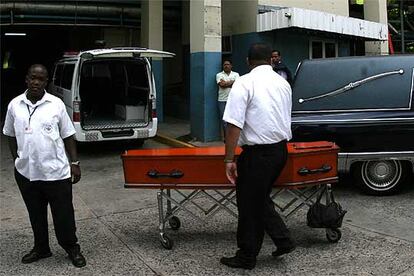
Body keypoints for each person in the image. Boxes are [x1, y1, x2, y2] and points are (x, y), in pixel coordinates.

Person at [2, 64, 86, 268]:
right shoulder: (15, 105)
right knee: (36, 214)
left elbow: (68, 134)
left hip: (56, 173)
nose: (36, 82)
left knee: (64, 215)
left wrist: (74, 162)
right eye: (33, 78)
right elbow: (10, 135)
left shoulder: (56, 104)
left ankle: (71, 248)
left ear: (46, 82)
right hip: (27, 174)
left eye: (41, 79)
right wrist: (17, 160)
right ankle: (41, 248)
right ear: (27, 79)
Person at [220, 44, 295, 270]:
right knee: (258, 199)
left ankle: (247, 256)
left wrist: (229, 159)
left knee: (249, 204)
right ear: (271, 60)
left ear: (247, 60)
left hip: (258, 154)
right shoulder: (283, 83)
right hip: (280, 151)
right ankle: (282, 240)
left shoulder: (244, 82)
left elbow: (233, 123)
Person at [216, 60, 239, 141]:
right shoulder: (219, 75)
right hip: (222, 100)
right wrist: (232, 82)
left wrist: (226, 83)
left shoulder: (236, 74)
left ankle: (233, 137)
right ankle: (227, 138)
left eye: (228, 64)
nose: (226, 66)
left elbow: (237, 85)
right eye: (225, 65)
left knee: (233, 119)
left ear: (231, 66)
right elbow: (221, 85)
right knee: (224, 120)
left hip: (233, 100)